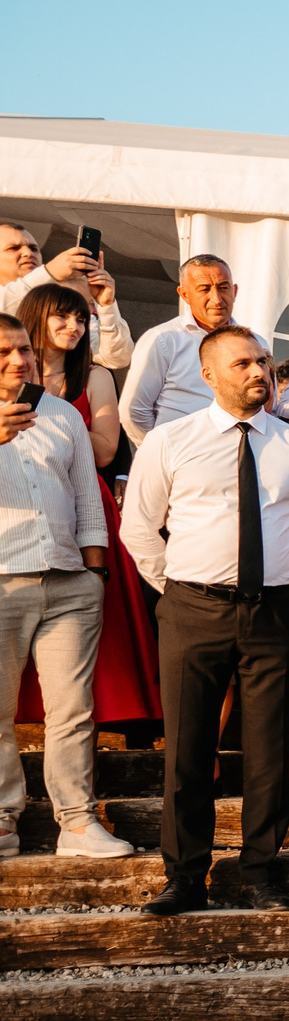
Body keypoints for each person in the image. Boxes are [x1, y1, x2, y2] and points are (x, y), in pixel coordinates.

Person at [121, 324, 289, 914]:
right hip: (193, 610)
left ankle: (261, 870)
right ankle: (185, 876)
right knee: (188, 750)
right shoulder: (170, 440)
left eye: (262, 362)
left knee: (268, 752)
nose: (258, 372)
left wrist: (286, 591)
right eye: (242, 363)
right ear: (208, 374)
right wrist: (180, 591)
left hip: (273, 611)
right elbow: (139, 527)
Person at [0, 314, 129, 859]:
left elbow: (85, 498)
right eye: (4, 352)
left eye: (24, 349)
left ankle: (76, 823)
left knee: (74, 708)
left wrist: (95, 574)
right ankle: (4, 823)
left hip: (71, 580)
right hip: (2, 582)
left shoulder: (60, 413)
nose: (19, 361)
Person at [18, 283, 158, 732]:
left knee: (94, 610)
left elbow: (103, 450)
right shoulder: (9, 372)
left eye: (82, 319)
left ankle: (109, 704)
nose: (74, 326)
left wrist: (45, 414)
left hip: (84, 499)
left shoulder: (95, 376)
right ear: (35, 317)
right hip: (19, 500)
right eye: (63, 317)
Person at [121, 255, 254, 445]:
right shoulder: (163, 340)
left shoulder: (255, 344)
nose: (216, 299)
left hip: (241, 457)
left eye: (223, 288)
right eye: (204, 289)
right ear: (184, 295)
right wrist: (164, 452)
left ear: (234, 291)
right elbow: (133, 412)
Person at [0, 224, 132, 378]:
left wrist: (106, 306)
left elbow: (116, 358)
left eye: (34, 248)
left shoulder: (60, 301)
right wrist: (49, 272)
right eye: (14, 248)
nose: (28, 253)